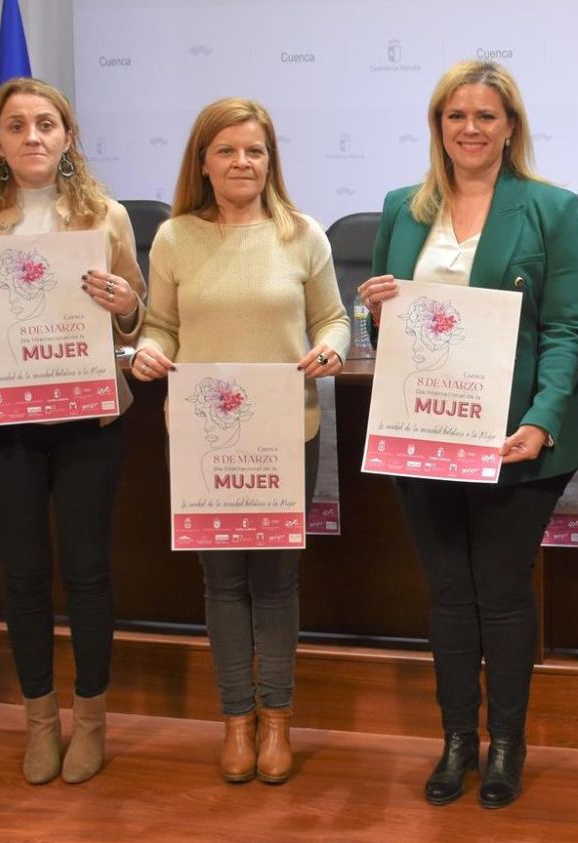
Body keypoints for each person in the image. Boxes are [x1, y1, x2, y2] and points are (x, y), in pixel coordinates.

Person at [356, 60, 578, 809]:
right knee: (449, 591)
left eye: (485, 116)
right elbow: (388, 321)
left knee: (500, 589)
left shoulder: (550, 208)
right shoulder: (403, 206)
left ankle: (507, 745)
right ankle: (458, 737)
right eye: (455, 115)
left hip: (513, 437)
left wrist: (541, 418)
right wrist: (375, 312)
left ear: (510, 127)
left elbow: (564, 327)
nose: (470, 128)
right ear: (438, 125)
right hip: (422, 432)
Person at [0, 78, 144, 786]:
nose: (33, 137)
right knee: (21, 576)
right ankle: (40, 721)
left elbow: (136, 323)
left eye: (46, 124)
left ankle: (92, 720)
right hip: (4, 421)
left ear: (68, 136)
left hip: (88, 419)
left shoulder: (106, 217)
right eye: (16, 127)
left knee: (87, 571)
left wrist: (129, 303)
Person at [133, 97, 348, 785]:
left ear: (270, 159)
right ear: (203, 161)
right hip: (203, 437)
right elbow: (161, 326)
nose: (242, 162)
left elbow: (334, 319)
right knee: (222, 582)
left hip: (288, 430)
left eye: (254, 150)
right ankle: (235, 720)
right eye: (226, 150)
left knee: (277, 580)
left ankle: (277, 719)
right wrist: (146, 349)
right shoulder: (173, 238)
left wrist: (330, 349)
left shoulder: (302, 233)